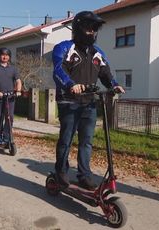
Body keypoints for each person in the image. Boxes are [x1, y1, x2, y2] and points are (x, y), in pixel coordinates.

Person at [52, 11, 125, 190]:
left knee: (86, 141)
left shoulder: (97, 52)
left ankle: (84, 175)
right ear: (78, 28)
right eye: (88, 28)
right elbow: (58, 71)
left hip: (89, 102)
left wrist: (114, 85)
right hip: (69, 101)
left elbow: (105, 73)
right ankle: (61, 171)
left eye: (94, 29)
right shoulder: (64, 47)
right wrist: (71, 84)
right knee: (66, 139)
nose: (91, 32)